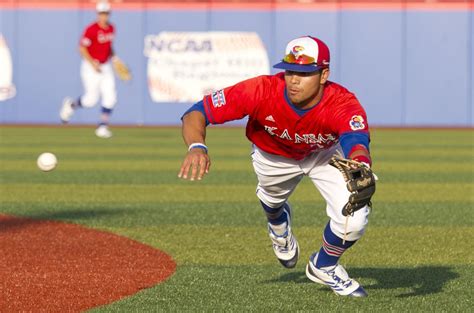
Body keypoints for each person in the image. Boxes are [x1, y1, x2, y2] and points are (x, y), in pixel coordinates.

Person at [178, 35, 374, 297]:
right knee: (272, 204)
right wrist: (196, 146)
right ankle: (278, 224)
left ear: (323, 74)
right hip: (273, 156)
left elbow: (356, 139)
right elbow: (197, 111)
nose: (293, 79)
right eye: (290, 70)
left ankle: (324, 266)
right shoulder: (260, 90)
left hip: (322, 154)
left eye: (304, 73)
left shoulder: (342, 102)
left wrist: (360, 164)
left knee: (356, 214)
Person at [60, 1, 117, 138]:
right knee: (90, 100)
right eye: (101, 13)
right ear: (98, 14)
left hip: (106, 65)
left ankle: (102, 127)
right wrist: (93, 64)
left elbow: (108, 47)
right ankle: (71, 105)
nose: (104, 16)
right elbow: (82, 48)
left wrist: (114, 58)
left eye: (106, 13)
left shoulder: (111, 28)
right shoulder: (91, 29)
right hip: (91, 66)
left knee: (111, 97)